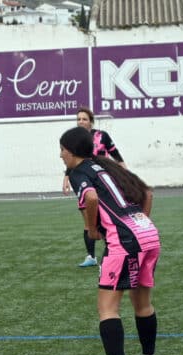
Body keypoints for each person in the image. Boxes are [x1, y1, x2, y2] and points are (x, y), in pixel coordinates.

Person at [59, 126, 161, 355]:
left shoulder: (79, 172)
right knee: (142, 303)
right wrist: (139, 225)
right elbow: (147, 193)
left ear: (72, 151)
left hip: (125, 241)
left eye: (62, 150)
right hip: (147, 233)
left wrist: (91, 229)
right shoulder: (106, 166)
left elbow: (91, 198)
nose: (60, 155)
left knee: (107, 307)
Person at [63, 107, 127, 268]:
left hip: (101, 182)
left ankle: (113, 252)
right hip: (83, 181)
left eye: (84, 119)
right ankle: (91, 256)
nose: (81, 122)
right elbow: (71, 161)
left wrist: (125, 173)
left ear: (91, 122)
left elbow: (116, 154)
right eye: (78, 119)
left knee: (107, 220)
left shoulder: (102, 136)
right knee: (88, 220)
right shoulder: (74, 140)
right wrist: (66, 178)